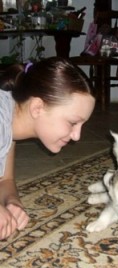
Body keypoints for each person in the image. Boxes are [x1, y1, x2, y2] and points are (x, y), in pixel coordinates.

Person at [0, 57, 95, 240]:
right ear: (37, 107)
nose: (77, 136)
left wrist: (12, 202)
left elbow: (5, 180)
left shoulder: (9, 124)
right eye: (73, 122)